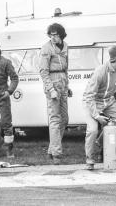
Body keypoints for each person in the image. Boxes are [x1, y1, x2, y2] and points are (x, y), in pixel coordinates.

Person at [83, 45, 116, 170]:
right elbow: (89, 96)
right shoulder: (100, 72)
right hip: (92, 102)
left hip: (110, 101)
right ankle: (90, 161)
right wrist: (96, 115)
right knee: (92, 129)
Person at [39, 23, 72, 164]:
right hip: (52, 83)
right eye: (51, 34)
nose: (53, 37)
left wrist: (67, 85)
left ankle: (51, 149)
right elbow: (43, 71)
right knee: (54, 119)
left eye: (55, 34)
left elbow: (66, 68)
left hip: (63, 83)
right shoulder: (46, 48)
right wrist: (51, 89)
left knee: (64, 119)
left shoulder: (66, 46)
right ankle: (57, 154)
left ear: (61, 34)